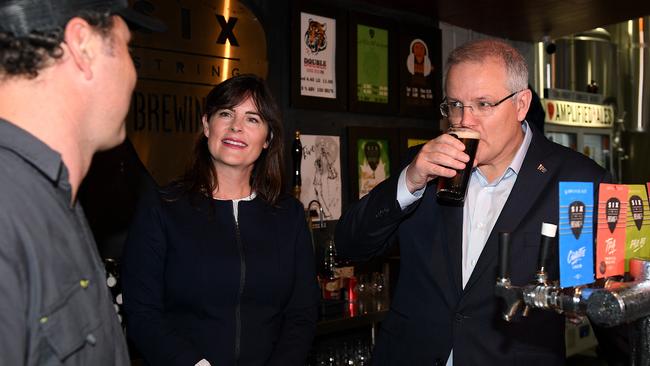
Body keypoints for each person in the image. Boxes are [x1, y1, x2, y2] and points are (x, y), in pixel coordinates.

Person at [335, 39, 611, 365]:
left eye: (483, 104)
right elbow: (349, 245)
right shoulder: (424, 167)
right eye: (455, 105)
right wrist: (410, 181)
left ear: (521, 105)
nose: (465, 121)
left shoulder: (577, 179)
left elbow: (613, 306)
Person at [0, 0, 164, 365]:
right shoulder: (9, 209)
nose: (134, 75)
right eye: (127, 48)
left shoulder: (52, 196)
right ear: (83, 46)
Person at [121, 74, 320, 366]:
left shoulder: (288, 215)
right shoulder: (162, 207)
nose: (236, 127)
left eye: (252, 119)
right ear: (206, 125)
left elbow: (302, 313)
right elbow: (142, 313)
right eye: (226, 113)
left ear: (268, 139)